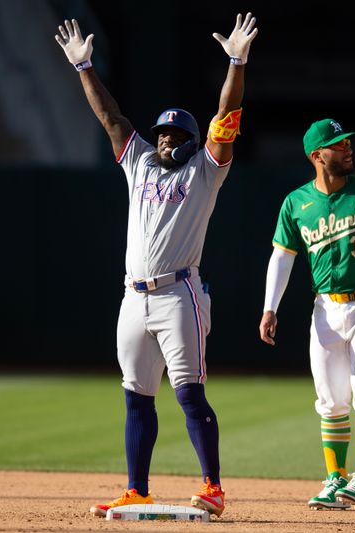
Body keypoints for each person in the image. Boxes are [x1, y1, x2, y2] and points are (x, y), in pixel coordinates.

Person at [55, 13, 258, 518]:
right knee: (136, 397)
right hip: (133, 297)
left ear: (191, 140)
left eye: (174, 134)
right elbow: (112, 118)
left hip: (178, 295)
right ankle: (136, 488)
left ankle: (212, 486)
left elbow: (226, 112)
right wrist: (84, 68)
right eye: (162, 134)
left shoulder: (206, 169)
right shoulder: (140, 161)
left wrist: (236, 62)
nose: (165, 139)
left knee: (189, 393)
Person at [258, 119, 355, 510]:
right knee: (330, 399)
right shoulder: (297, 203)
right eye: (338, 144)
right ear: (317, 155)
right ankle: (335, 480)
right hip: (325, 308)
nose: (347, 149)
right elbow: (282, 257)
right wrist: (269, 308)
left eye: (348, 142)